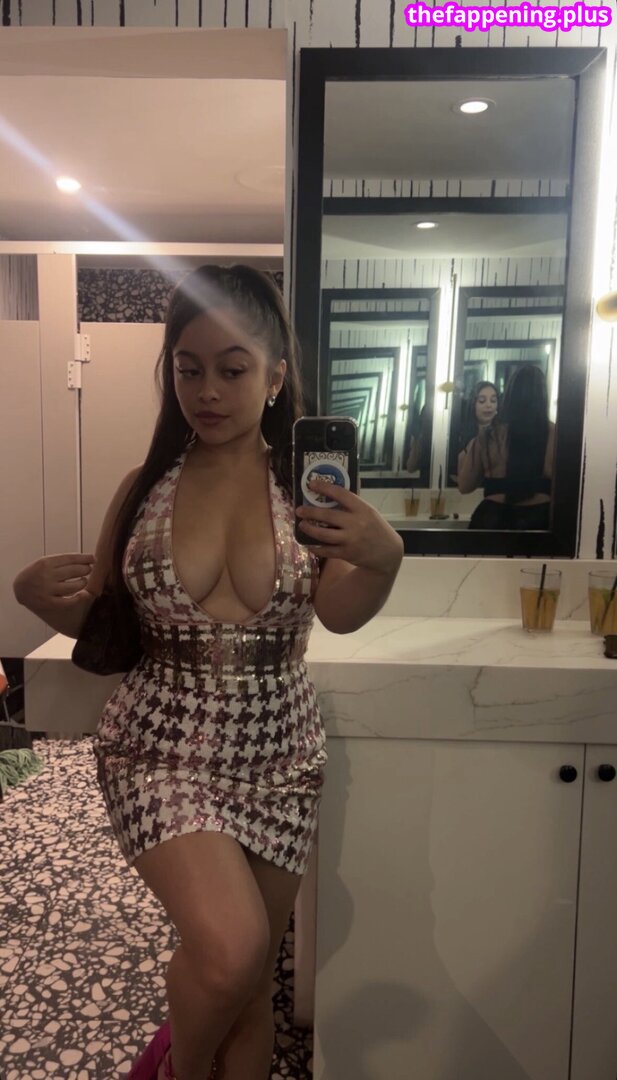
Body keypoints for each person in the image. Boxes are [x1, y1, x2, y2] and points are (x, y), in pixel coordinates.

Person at [12, 265, 403, 1080]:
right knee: (230, 952)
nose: (208, 391)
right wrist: (40, 602)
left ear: (275, 377)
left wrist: (382, 558)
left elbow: (339, 612)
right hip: (157, 747)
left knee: (252, 988)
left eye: (232, 369)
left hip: (279, 756)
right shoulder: (143, 489)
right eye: (188, 370)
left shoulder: (310, 492)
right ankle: (176, 1070)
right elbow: (111, 629)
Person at [456, 364, 555, 530]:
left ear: (509, 395)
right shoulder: (555, 435)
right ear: (543, 396)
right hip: (540, 520)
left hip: (493, 519)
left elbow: (465, 486)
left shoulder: (490, 435)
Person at [448, 381, 499, 484]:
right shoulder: (459, 435)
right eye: (482, 401)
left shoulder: (502, 436)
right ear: (473, 404)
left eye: (493, 401)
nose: (489, 405)